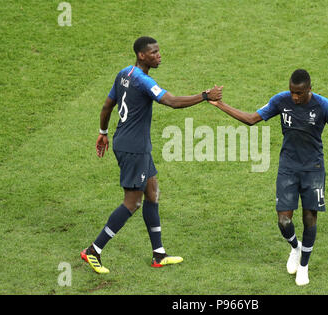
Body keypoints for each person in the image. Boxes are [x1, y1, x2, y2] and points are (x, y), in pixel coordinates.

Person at [81, 36, 223, 274]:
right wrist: (205, 96)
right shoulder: (143, 81)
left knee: (152, 191)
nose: (159, 55)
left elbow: (107, 106)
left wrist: (103, 132)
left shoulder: (124, 74)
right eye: (154, 52)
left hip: (130, 143)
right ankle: (93, 251)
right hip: (134, 149)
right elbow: (172, 102)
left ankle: (159, 254)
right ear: (141, 55)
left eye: (159, 51)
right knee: (133, 202)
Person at [209, 69, 328, 285]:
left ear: (309, 90)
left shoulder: (323, 105)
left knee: (309, 217)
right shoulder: (280, 101)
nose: (295, 97)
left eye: (300, 93)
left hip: (314, 168)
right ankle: (295, 247)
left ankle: (304, 265)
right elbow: (251, 119)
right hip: (288, 167)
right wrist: (220, 105)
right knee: (284, 219)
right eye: (292, 92)